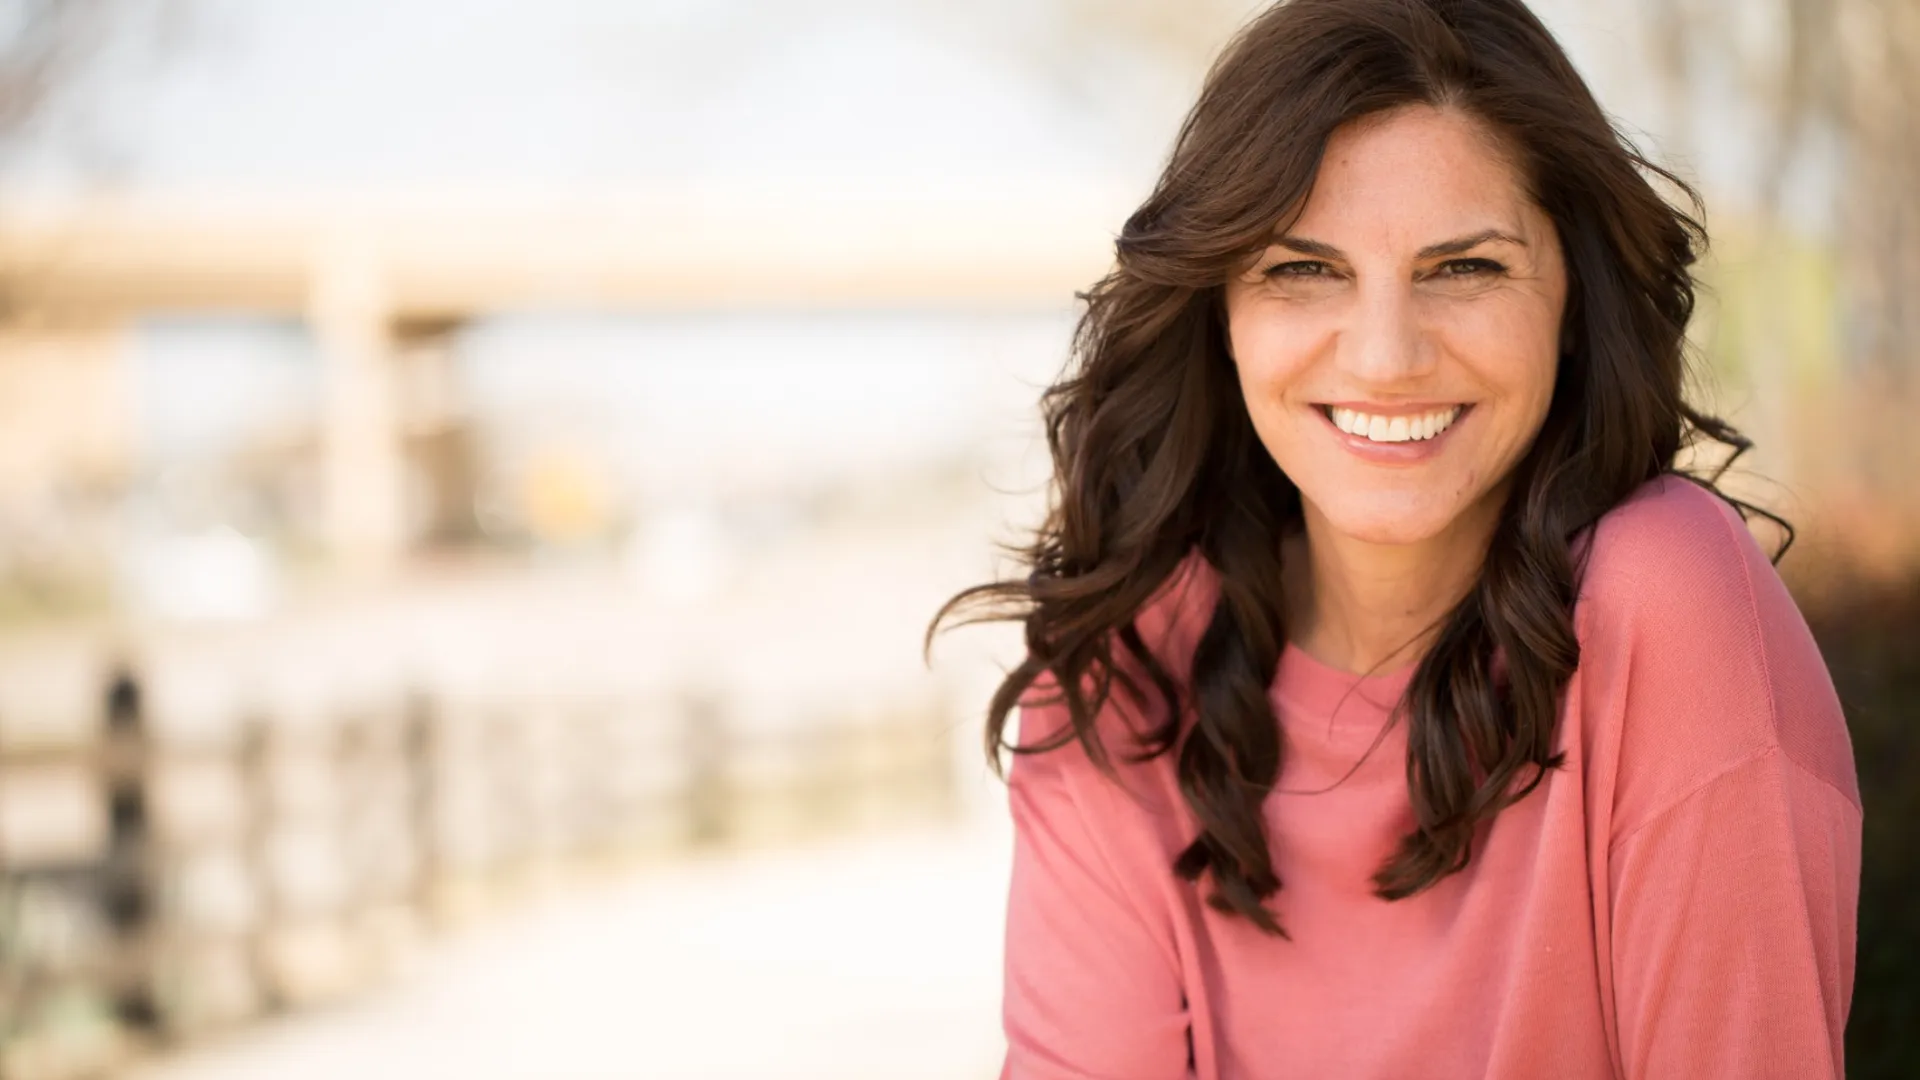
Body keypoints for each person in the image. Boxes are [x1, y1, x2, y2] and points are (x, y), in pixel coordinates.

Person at [929, 0, 1862, 1076]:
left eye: (1463, 268)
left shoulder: (1670, 604)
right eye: (1302, 269)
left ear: (1570, 299)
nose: (1384, 357)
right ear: (1219, 310)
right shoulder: (1120, 683)